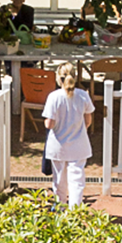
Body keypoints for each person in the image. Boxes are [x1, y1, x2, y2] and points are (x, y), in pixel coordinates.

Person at [42, 63, 96, 207]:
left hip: (58, 145)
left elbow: (49, 124)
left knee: (59, 180)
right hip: (79, 145)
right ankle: (75, 211)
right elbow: (88, 120)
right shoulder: (83, 95)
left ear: (58, 79)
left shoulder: (53, 97)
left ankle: (60, 208)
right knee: (77, 181)